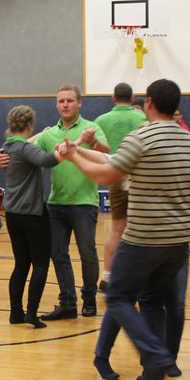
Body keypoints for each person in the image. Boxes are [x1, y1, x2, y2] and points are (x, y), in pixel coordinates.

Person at [58, 79, 190, 380]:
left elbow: (107, 174)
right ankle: (153, 372)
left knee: (119, 297)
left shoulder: (142, 137)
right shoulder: (187, 139)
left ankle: (155, 355)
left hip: (145, 238)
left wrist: (74, 157)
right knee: (152, 301)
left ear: (149, 103)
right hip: (179, 240)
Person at [34, 84, 109, 320]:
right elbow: (27, 153)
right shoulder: (49, 134)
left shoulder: (91, 128)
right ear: (57, 104)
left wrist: (93, 142)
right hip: (56, 203)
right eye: (61, 101)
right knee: (57, 253)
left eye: (70, 100)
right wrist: (4, 155)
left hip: (84, 203)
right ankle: (67, 303)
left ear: (79, 103)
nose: (65, 104)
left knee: (88, 254)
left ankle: (89, 299)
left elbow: (106, 152)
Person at [0, 105, 60, 328]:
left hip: (13, 214)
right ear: (29, 124)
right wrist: (67, 149)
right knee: (41, 264)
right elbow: (47, 160)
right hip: (32, 213)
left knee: (21, 264)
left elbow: (26, 146)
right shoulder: (24, 149)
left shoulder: (8, 146)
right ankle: (32, 314)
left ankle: (16, 313)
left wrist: (40, 134)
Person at [93, 83, 148, 293]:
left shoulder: (101, 120)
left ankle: (107, 277)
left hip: (115, 175)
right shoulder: (143, 119)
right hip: (140, 179)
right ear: (132, 97)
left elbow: (94, 149)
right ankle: (138, 279)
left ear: (113, 98)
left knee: (116, 229)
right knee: (140, 230)